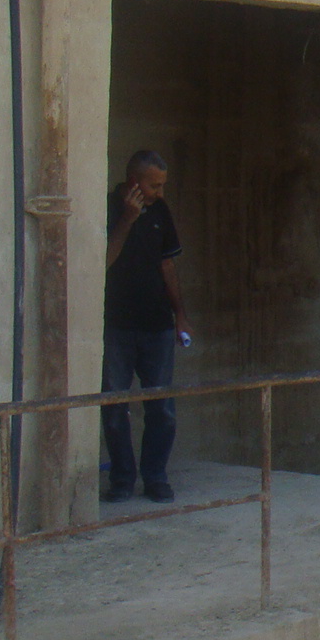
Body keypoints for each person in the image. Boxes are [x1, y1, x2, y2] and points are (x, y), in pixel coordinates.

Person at [102, 149, 191, 503]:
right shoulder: (109, 206)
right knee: (114, 407)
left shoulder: (161, 212)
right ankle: (122, 478)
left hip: (157, 325)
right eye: (154, 185)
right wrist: (127, 218)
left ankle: (155, 476)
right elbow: (103, 261)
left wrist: (180, 313)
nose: (159, 193)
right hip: (117, 326)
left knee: (161, 408)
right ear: (134, 182)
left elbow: (168, 266)